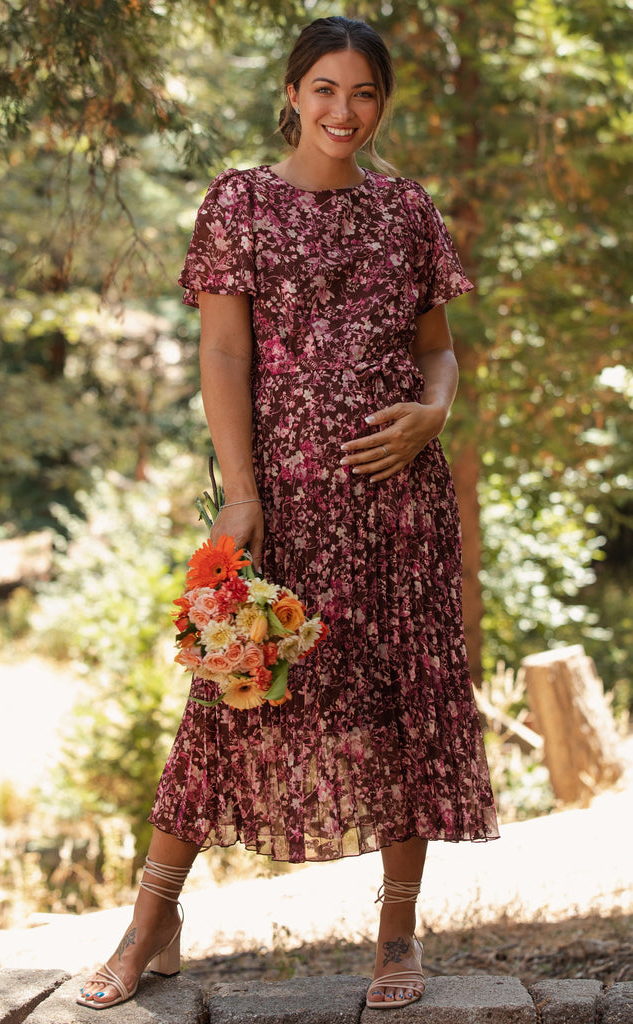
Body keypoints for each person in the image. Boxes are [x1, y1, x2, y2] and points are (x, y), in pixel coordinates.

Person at [77, 15, 499, 1012]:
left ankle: (397, 934)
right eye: (324, 89)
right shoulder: (240, 203)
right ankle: (149, 923)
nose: (342, 111)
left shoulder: (406, 210)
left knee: (398, 710)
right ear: (291, 94)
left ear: (380, 104)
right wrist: (242, 493)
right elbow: (223, 353)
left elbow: (436, 348)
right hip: (286, 505)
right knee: (229, 699)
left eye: (363, 93)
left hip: (398, 505)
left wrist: (432, 414)